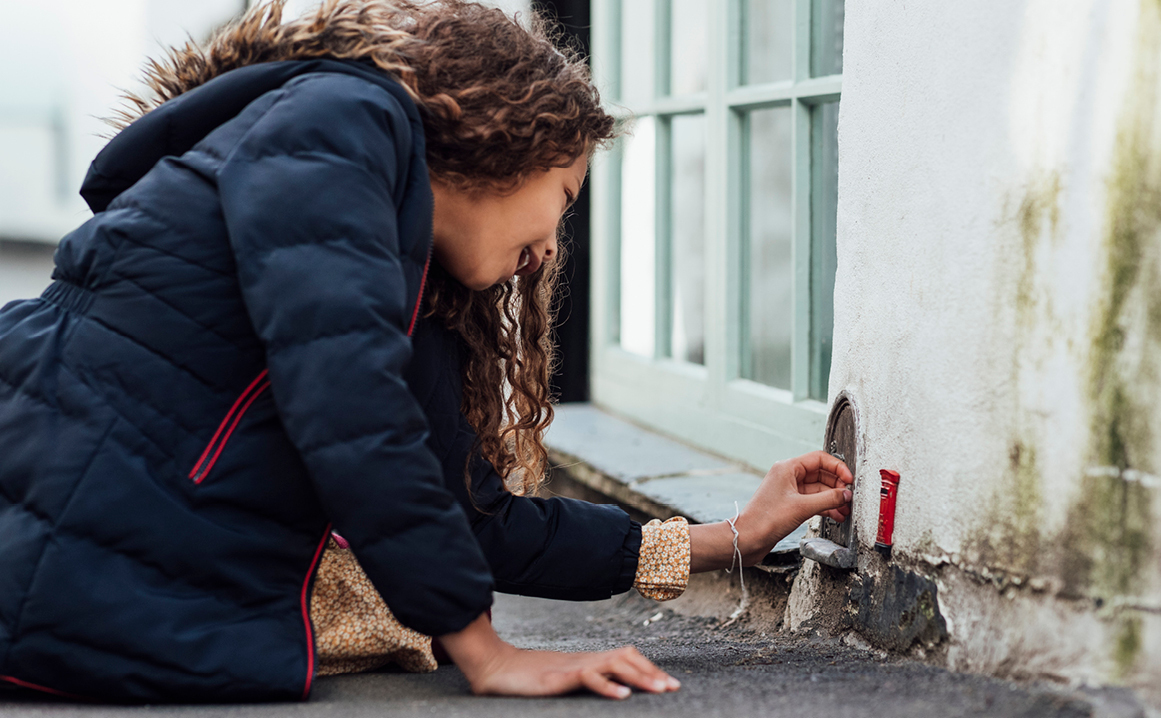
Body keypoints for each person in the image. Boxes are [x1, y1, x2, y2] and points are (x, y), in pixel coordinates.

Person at [0, 0, 853, 704]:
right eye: (564, 195)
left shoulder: (399, 273)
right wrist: (484, 650)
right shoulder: (343, 122)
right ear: (508, 137)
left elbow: (476, 524)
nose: (554, 247)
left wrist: (734, 536)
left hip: (100, 591)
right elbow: (349, 407)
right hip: (57, 585)